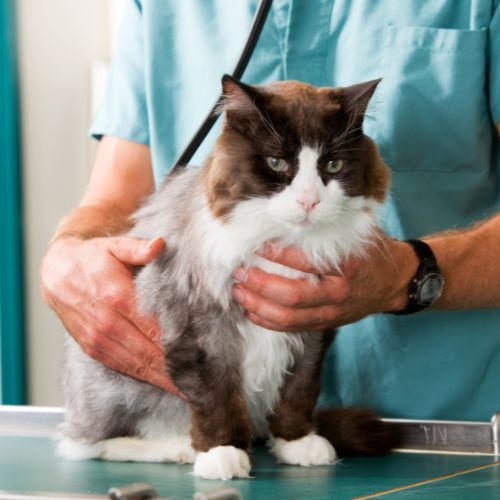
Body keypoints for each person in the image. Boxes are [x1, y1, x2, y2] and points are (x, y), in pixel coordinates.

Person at [41, 0, 500, 421]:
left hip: (442, 430)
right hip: (206, 427)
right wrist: (67, 257)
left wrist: (407, 276)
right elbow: (112, 203)